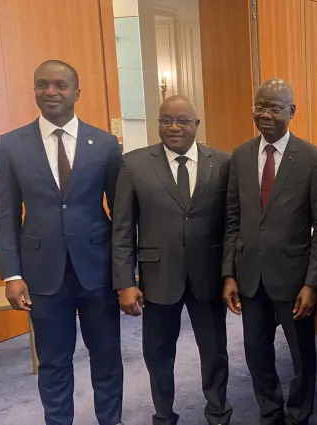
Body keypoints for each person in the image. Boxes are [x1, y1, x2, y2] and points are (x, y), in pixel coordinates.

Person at [0, 60, 124, 425]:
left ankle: (111, 419)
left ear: (76, 92)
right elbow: (5, 214)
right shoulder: (11, 145)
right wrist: (11, 274)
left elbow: (121, 213)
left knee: (107, 357)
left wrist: (124, 272)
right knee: (52, 361)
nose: (50, 91)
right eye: (42, 84)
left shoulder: (105, 144)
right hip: (42, 273)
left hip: (97, 270)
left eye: (60, 85)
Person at [112, 95, 234, 425]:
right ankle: (164, 416)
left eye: (182, 121)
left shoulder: (223, 163)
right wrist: (125, 282)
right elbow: (122, 228)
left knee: (215, 352)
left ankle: (218, 413)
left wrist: (230, 273)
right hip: (158, 276)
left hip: (208, 275)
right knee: (158, 354)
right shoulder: (134, 164)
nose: (174, 127)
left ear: (197, 124)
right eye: (166, 120)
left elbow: (231, 225)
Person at [222, 79, 317, 425]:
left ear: (292, 111)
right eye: (260, 107)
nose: (265, 115)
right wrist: (229, 273)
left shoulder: (312, 158)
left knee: (302, 357)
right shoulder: (240, 155)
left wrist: (313, 283)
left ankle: (299, 415)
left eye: (274, 108)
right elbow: (233, 218)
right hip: (250, 277)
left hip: (294, 280)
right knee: (256, 353)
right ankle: (270, 413)